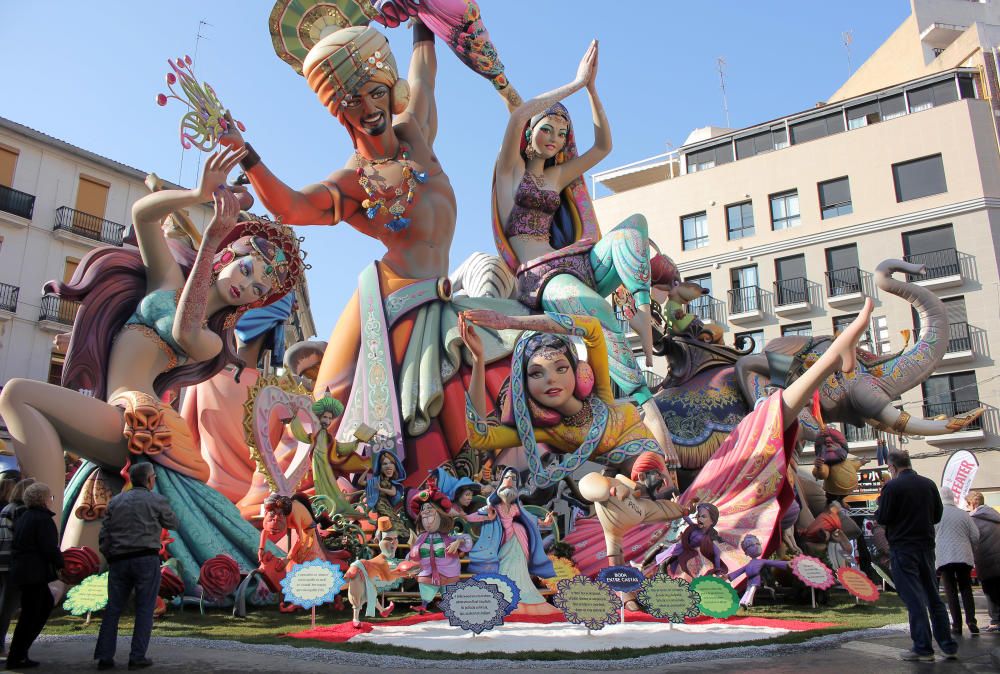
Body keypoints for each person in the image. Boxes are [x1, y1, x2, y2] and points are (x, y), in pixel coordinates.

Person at [223, 21, 529, 483]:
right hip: (389, 304)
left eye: (374, 93)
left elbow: (425, 73)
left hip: (440, 298)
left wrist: (422, 19)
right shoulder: (353, 180)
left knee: (506, 361)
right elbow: (292, 206)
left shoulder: (415, 136)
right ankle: (323, 494)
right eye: (352, 102)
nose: (368, 108)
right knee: (338, 407)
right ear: (340, 114)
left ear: (390, 91)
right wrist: (246, 154)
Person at [0, 149, 305, 593]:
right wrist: (196, 194)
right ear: (228, 260)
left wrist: (211, 239)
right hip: (117, 412)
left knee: (18, 395)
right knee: (86, 522)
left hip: (138, 415)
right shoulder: (166, 281)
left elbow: (184, 322)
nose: (246, 284)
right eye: (246, 268)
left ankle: (37, 523)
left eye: (257, 288)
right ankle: (54, 585)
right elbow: (143, 216)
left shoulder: (210, 341)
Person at [490, 41, 677, 467]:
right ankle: (641, 400)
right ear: (529, 134)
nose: (554, 139)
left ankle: (642, 316)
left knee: (634, 229)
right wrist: (575, 83)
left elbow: (603, 148)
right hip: (542, 277)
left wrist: (594, 92)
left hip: (574, 261)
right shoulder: (510, 173)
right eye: (546, 130)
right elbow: (519, 113)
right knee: (595, 312)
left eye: (560, 133)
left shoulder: (556, 177)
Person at [94, 462, 179, 669]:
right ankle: (137, 656)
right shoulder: (156, 500)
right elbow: (173, 523)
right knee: (145, 608)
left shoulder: (116, 502)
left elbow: (104, 534)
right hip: (145, 559)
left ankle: (105, 657)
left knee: (113, 608)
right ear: (150, 480)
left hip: (119, 560)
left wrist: (110, 555)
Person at [875, 451, 957, 661]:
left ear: (892, 467)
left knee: (914, 598)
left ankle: (922, 647)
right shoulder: (928, 484)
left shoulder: (892, 487)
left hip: (903, 547)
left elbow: (883, 517)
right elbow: (937, 515)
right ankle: (947, 644)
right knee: (933, 596)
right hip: (926, 547)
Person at [467, 467, 557, 614]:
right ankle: (501, 596)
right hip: (500, 544)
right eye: (507, 477)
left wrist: (544, 522)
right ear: (502, 481)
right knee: (502, 569)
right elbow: (477, 515)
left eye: (514, 479)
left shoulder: (516, 506)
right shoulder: (493, 505)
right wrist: (463, 517)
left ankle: (520, 596)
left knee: (518, 560)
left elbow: (529, 518)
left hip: (517, 543)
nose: (510, 481)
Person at [6, 482, 63, 669]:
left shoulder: (25, 516)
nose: (51, 500)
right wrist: (61, 563)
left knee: (37, 609)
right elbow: (48, 547)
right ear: (44, 499)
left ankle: (19, 653)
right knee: (34, 613)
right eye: (50, 497)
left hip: (24, 571)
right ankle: (18, 655)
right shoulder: (42, 519)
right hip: (34, 573)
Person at [935, 486, 979, 636]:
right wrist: (970, 546)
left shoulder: (936, 514)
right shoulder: (963, 515)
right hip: (964, 556)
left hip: (945, 557)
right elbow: (975, 535)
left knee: (951, 591)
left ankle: (957, 625)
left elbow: (930, 534)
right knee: (966, 589)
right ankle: (971, 620)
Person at [0, 477, 32, 656]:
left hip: (3, 559)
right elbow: (23, 538)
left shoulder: (7, 508)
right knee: (8, 605)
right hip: (13, 561)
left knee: (5, 602)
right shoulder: (20, 510)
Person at [967, 490, 1000, 632]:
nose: (967, 508)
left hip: (987, 559)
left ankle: (995, 621)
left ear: (973, 504)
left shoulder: (974, 519)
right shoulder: (995, 516)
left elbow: (972, 540)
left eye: (968, 505)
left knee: (990, 591)